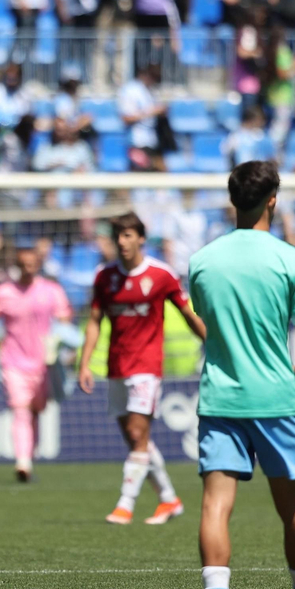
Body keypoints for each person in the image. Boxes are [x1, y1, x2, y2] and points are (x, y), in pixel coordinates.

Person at [187, 161, 295, 589]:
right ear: (273, 199)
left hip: (221, 397)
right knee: (294, 509)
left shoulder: (203, 261)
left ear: (233, 199)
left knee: (215, 507)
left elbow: (217, 331)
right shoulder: (294, 261)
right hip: (276, 399)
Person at [80, 212, 206, 523]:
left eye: (127, 236)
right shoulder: (104, 276)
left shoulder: (162, 275)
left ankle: (125, 504)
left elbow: (188, 314)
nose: (122, 242)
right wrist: (85, 363)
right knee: (137, 439)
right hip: (117, 365)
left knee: (139, 434)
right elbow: (95, 322)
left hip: (147, 367)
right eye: (117, 236)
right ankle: (168, 500)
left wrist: (213, 343)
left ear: (141, 239)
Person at [0, 245, 71, 484]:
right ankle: (22, 461)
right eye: (23, 265)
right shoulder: (4, 292)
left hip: (44, 364)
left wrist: (62, 342)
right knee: (20, 409)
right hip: (13, 362)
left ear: (38, 265)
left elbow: (65, 321)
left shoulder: (51, 291)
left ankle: (28, 458)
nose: (27, 269)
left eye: (31, 264)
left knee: (35, 410)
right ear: (17, 264)